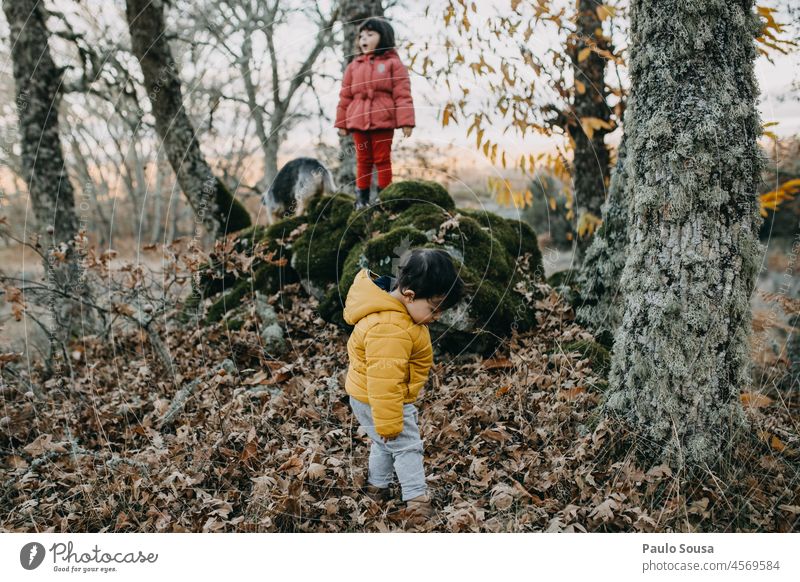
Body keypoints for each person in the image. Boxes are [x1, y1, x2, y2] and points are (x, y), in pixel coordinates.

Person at [343, 248, 467, 522]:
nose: (436, 317)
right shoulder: (391, 327)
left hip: (369, 397)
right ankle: (417, 501)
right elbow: (383, 379)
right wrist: (390, 420)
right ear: (409, 295)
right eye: (434, 309)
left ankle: (377, 487)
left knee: (383, 444)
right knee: (407, 445)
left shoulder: (399, 313)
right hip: (384, 400)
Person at [334, 17, 415, 209]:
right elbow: (345, 96)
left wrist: (406, 121)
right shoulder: (354, 66)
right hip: (358, 120)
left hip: (383, 120)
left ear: (383, 37)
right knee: (363, 160)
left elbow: (402, 93)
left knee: (382, 159)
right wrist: (342, 123)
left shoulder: (393, 64)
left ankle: (385, 198)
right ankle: (361, 199)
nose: (364, 39)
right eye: (361, 35)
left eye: (370, 35)